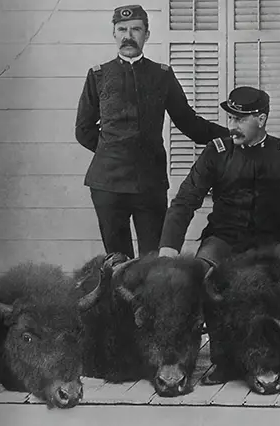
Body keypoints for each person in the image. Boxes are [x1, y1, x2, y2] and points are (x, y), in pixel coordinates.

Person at [75, 4, 228, 259]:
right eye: (122, 29)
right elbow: (83, 130)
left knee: (152, 260)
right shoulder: (98, 76)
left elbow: (188, 122)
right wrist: (111, 152)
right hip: (107, 185)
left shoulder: (162, 75)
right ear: (114, 34)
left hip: (150, 184)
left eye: (136, 29)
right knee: (117, 261)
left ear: (146, 34)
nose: (128, 36)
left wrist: (228, 136)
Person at [157, 86, 280, 288]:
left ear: (261, 120)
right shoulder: (216, 152)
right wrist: (169, 248)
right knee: (201, 278)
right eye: (230, 118)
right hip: (222, 240)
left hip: (271, 240)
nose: (231, 126)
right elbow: (185, 201)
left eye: (239, 120)